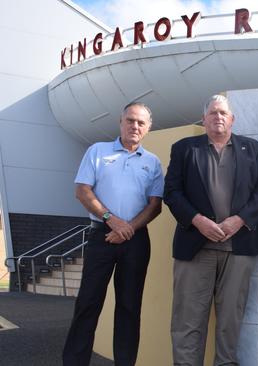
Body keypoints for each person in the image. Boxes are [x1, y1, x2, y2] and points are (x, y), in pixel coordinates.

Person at [164, 94, 258, 365]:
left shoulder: (254, 149)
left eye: (223, 112)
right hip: (194, 247)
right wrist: (197, 220)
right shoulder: (184, 149)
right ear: (204, 119)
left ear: (232, 119)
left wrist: (239, 220)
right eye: (213, 113)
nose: (218, 117)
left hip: (240, 248)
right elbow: (172, 192)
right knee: (187, 321)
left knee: (229, 322)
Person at [63, 102, 163, 366]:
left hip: (136, 241)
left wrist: (127, 229)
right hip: (101, 238)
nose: (135, 126)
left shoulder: (152, 162)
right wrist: (112, 220)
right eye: (130, 120)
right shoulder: (97, 151)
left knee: (130, 308)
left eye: (141, 122)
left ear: (148, 128)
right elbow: (83, 191)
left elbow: (155, 205)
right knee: (88, 304)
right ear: (120, 122)